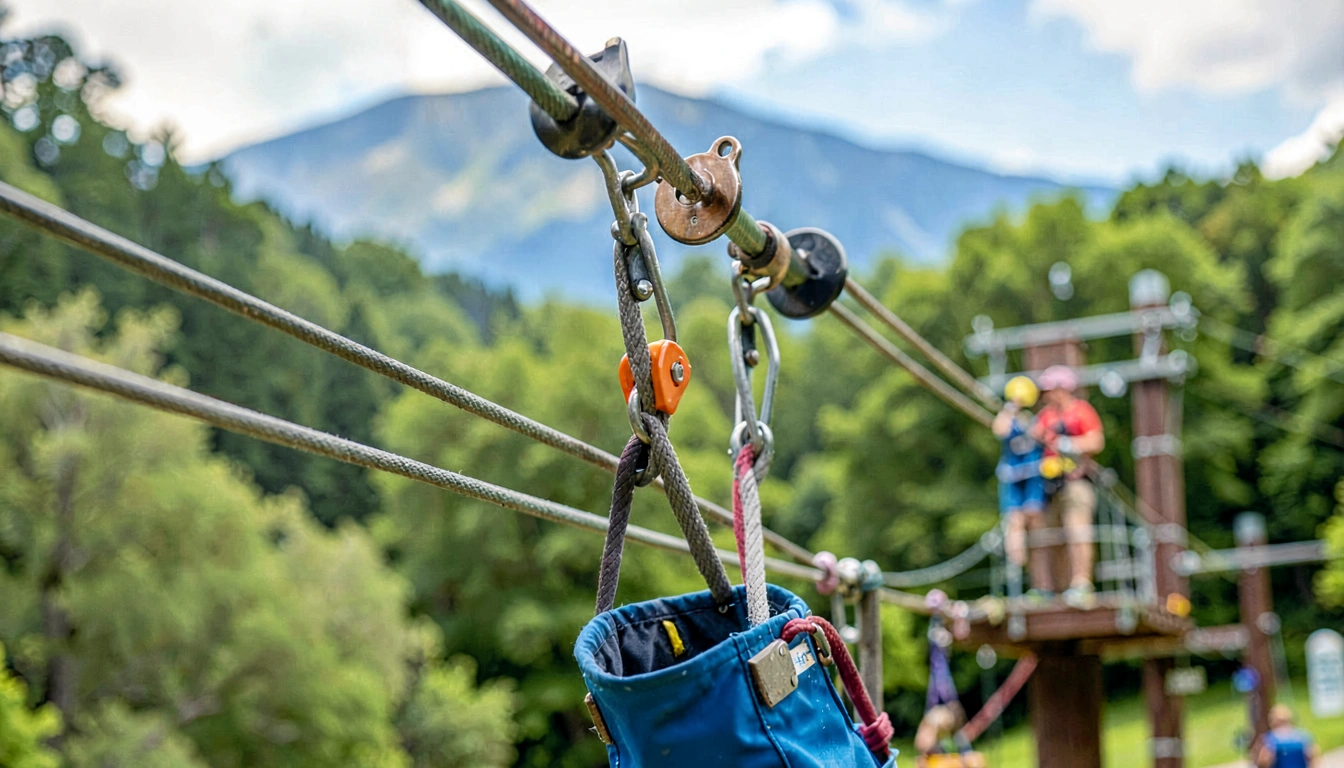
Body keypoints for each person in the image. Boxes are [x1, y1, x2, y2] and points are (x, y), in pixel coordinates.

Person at [1032, 365, 1105, 608]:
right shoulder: (1045, 416)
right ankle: (1050, 589)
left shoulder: (1081, 411)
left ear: (1063, 389)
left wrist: (1069, 444)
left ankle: (1081, 584)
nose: (1045, 395)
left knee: (1077, 532)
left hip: (1076, 483)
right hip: (1049, 486)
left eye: (1049, 390)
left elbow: (1097, 441)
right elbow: (1032, 438)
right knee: (1048, 538)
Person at [993, 376, 1046, 600]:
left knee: (1035, 522)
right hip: (1012, 478)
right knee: (1014, 523)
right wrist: (1011, 407)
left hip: (1033, 476)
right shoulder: (1009, 418)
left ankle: (1040, 583)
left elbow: (1044, 436)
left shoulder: (1035, 420)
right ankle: (1017, 576)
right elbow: (999, 429)